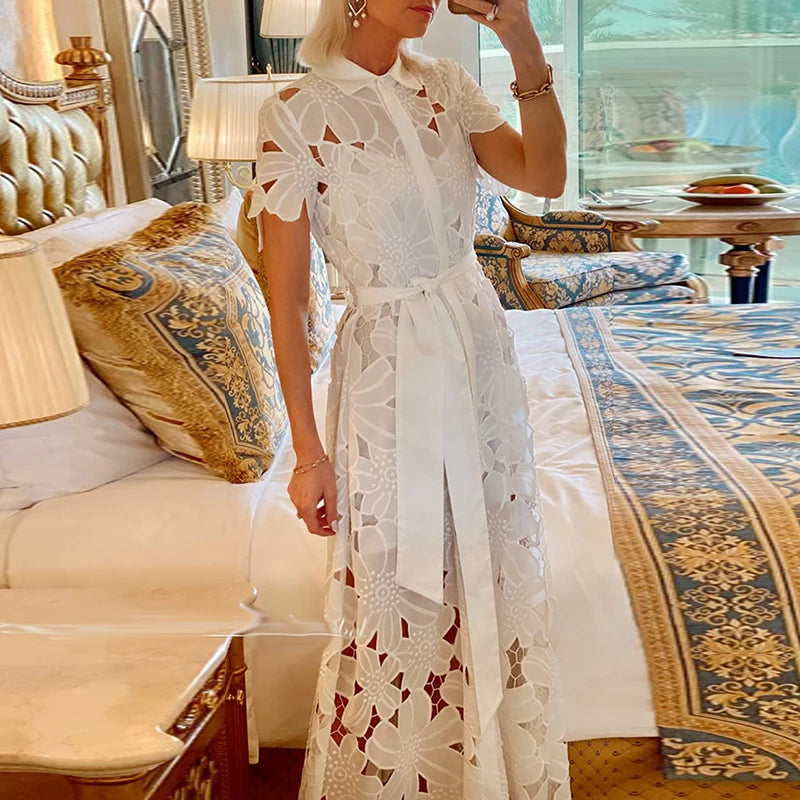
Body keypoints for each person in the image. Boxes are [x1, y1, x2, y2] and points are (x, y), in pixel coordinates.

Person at [249, 0, 568, 795]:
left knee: (488, 560)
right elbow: (287, 300)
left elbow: (546, 176)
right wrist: (308, 456)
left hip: (476, 350)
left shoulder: (449, 86)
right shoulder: (294, 114)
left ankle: (490, 773)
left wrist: (520, 36)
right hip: (386, 370)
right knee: (400, 574)